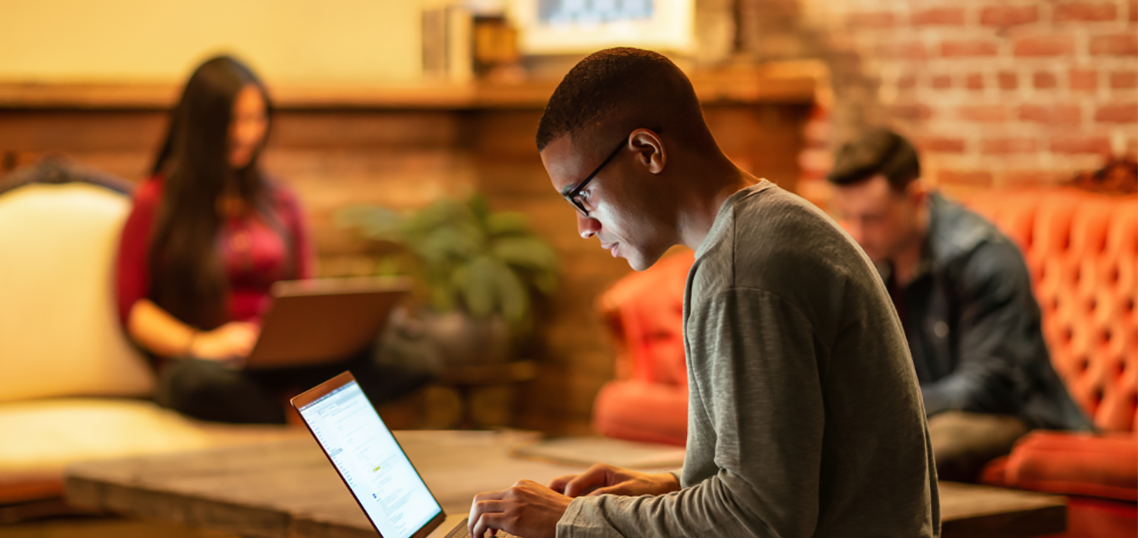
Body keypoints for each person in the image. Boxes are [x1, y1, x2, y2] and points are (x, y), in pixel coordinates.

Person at [468, 48, 939, 538]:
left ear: (647, 151)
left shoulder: (743, 268)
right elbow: (783, 482)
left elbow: (759, 520)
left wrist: (574, 519)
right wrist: (671, 487)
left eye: (580, 195)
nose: (584, 226)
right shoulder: (773, 225)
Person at [116, 55, 415, 424]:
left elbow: (305, 293)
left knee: (413, 355)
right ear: (202, 125)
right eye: (233, 120)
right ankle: (302, 414)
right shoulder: (155, 201)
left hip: (284, 362)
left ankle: (295, 407)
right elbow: (133, 309)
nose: (246, 133)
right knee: (192, 383)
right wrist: (201, 344)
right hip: (210, 365)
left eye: (256, 118)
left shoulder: (281, 201)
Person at [827, 127, 1092, 482]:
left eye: (872, 217)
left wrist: (880, 408)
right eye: (850, 216)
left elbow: (985, 386)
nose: (857, 232)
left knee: (924, 446)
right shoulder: (875, 259)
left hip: (1015, 416)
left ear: (916, 197)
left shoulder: (983, 258)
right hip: (934, 411)